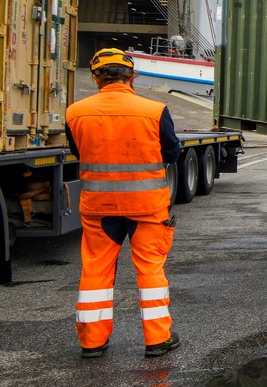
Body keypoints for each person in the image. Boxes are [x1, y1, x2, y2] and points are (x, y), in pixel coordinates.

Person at [65, 48, 182, 359]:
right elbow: (171, 153)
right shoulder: (155, 110)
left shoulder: (75, 112)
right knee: (151, 271)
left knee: (95, 272)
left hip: (100, 208)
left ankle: (92, 342)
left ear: (95, 77)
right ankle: (158, 340)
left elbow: (80, 152)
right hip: (147, 207)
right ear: (132, 76)